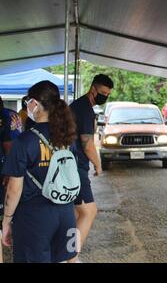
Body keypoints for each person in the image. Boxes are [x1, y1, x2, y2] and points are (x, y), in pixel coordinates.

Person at [1, 80, 78, 262]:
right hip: (67, 215)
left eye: (28, 101)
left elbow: (14, 189)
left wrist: (6, 221)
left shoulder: (25, 141)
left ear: (34, 103)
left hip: (34, 219)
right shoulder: (68, 137)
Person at [70, 74, 114, 253]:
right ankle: (70, 256)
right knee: (89, 211)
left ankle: (65, 253)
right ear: (93, 89)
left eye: (108, 94)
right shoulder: (84, 109)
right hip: (76, 167)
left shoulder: (79, 106)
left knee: (74, 214)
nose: (105, 97)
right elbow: (88, 144)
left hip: (71, 165)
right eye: (103, 92)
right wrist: (98, 164)